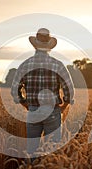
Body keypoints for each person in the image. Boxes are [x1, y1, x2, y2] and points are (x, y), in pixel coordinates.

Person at [11, 28, 74, 159]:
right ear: (49, 46)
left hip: (33, 112)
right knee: (53, 152)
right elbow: (69, 88)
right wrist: (64, 105)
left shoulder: (25, 65)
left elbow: (14, 89)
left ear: (35, 45)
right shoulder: (57, 64)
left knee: (32, 151)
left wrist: (25, 104)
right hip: (53, 112)